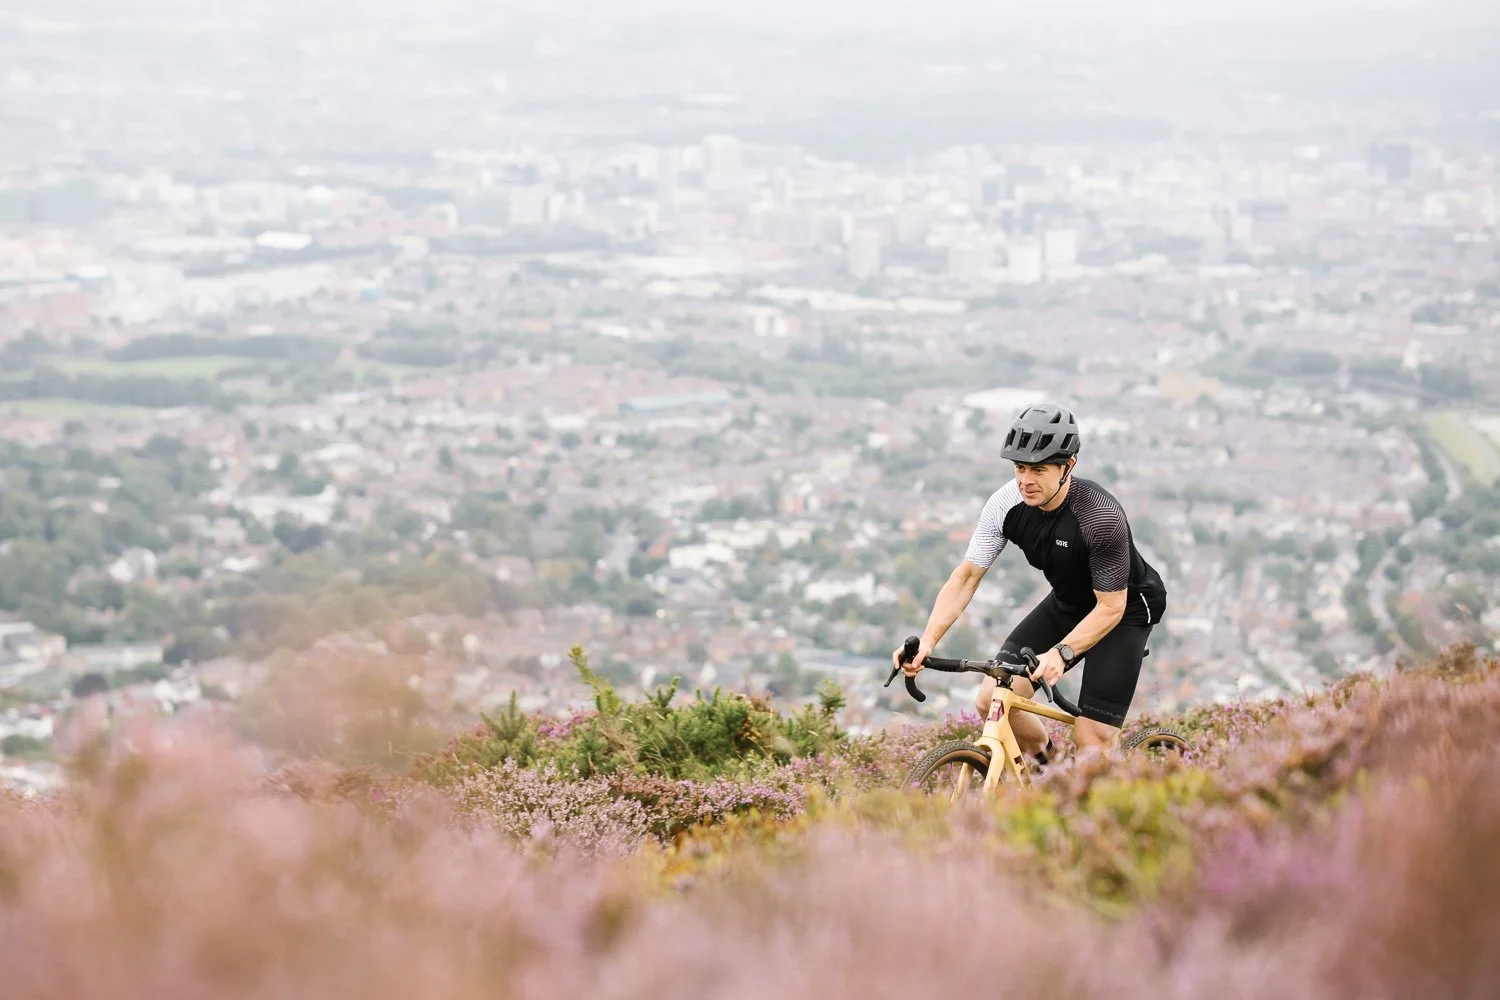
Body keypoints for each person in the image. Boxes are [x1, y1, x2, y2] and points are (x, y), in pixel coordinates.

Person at [892, 403, 1167, 760]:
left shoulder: (1099, 517)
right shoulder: (1006, 504)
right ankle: (1048, 772)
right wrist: (927, 641)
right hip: (1070, 601)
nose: (1025, 480)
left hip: (1125, 609)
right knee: (994, 700)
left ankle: (1102, 805)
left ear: (1068, 467)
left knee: (1093, 741)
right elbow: (966, 577)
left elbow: (1111, 607)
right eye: (1020, 468)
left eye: (1038, 469)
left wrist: (1062, 652)